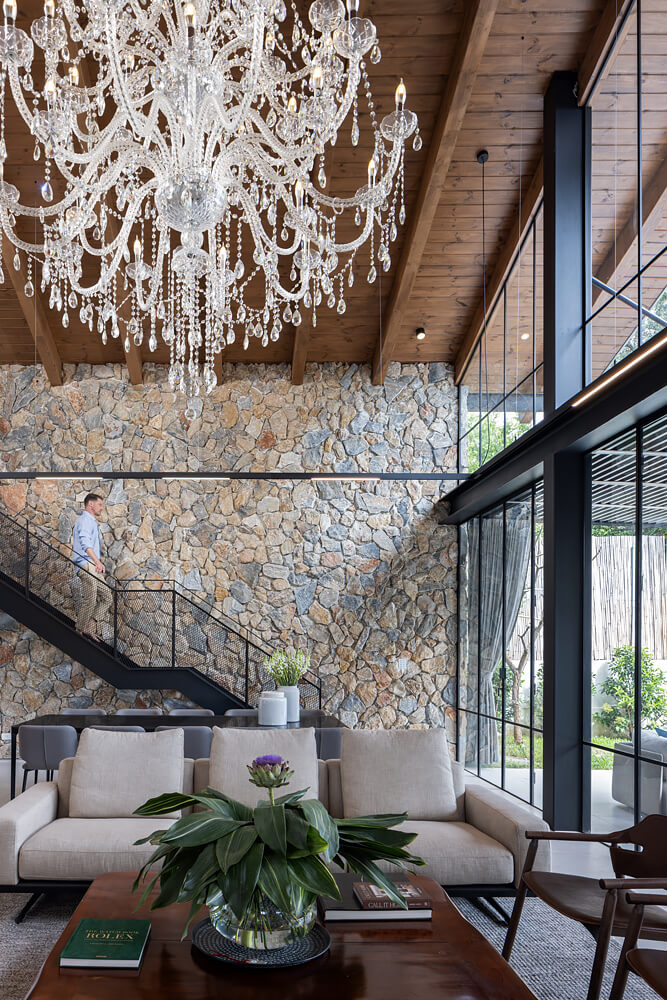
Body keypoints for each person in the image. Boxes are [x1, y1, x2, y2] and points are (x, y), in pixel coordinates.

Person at [72, 493, 112, 637]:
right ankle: (79, 631)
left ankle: (89, 626)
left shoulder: (91, 521)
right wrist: (97, 562)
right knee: (91, 598)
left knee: (107, 596)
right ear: (91, 504)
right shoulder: (85, 520)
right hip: (86, 564)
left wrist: (96, 563)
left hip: (92, 566)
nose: (102, 508)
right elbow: (85, 544)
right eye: (99, 504)